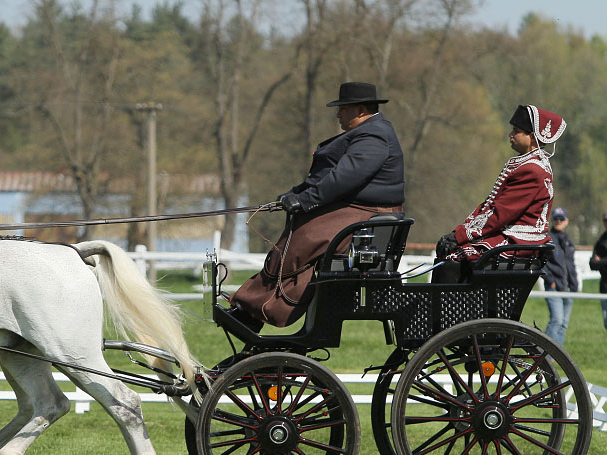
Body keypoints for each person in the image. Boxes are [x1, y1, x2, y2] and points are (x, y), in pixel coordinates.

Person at [229, 82, 405, 329]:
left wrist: (304, 201)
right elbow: (328, 177)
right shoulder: (369, 132)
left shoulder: (374, 135)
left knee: (304, 236)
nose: (338, 114)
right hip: (356, 212)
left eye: (343, 109)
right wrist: (294, 194)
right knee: (299, 235)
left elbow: (343, 178)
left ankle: (257, 310)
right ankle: (262, 307)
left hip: (366, 217)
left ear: (360, 110)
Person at [435, 105, 566, 282]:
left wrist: (460, 236)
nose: (510, 135)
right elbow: (491, 205)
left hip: (518, 240)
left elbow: (500, 214)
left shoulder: (532, 170)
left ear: (533, 136)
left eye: (517, 131)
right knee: (453, 253)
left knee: (452, 259)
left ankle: (448, 309)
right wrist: (463, 231)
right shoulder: (528, 164)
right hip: (511, 236)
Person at [542, 207, 578, 345]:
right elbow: (541, 263)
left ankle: (556, 358)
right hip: (554, 287)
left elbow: (571, 265)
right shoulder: (548, 239)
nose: (559, 221)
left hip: (568, 288)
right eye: (556, 218)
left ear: (567, 220)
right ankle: (545, 357)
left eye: (561, 218)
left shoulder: (568, 241)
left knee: (563, 324)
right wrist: (550, 280)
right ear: (552, 220)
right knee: (556, 321)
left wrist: (574, 284)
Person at [589, 211, 607, 330]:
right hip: (605, 287)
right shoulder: (602, 240)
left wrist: (601, 261)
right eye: (605, 221)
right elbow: (592, 264)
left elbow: (597, 262)